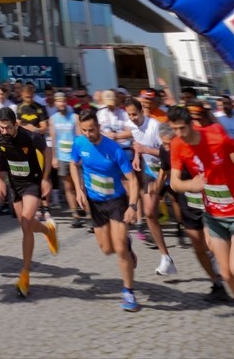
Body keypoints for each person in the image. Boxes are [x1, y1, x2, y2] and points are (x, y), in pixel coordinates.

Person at [168, 104, 234, 343]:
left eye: (182, 128)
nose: (179, 134)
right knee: (226, 274)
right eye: (174, 129)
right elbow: (175, 183)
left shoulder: (216, 135)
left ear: (192, 124)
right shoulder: (177, 145)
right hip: (213, 216)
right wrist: (190, 185)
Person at [69, 106, 141, 312]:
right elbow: (74, 164)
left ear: (99, 127)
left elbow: (133, 180)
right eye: (84, 130)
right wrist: (79, 190)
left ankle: (128, 292)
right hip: (95, 203)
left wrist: (133, 205)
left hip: (116, 201)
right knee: (107, 249)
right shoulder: (79, 143)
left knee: (118, 250)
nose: (88, 134)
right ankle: (127, 245)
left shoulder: (114, 149)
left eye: (91, 129)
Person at [154, 122, 227, 302]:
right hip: (187, 202)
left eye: (171, 143)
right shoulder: (165, 151)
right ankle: (217, 283)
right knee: (198, 247)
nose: (168, 148)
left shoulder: (192, 148)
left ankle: (229, 269)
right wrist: (157, 194)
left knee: (212, 242)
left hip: (208, 198)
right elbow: (164, 173)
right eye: (165, 144)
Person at [0, 106, 58, 297]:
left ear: (16, 124)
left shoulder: (30, 137)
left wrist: (46, 178)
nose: (4, 131)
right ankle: (48, 230)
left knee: (26, 223)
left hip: (32, 183)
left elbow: (48, 151)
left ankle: (25, 274)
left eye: (8, 127)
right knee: (24, 225)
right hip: (15, 185)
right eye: (1, 127)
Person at [125, 95, 176, 274]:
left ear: (142, 112)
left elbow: (167, 153)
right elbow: (137, 144)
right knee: (149, 213)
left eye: (134, 114)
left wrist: (145, 150)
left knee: (182, 216)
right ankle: (165, 258)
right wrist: (138, 157)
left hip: (169, 172)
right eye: (129, 115)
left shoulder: (154, 126)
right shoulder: (131, 126)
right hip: (150, 173)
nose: (132, 118)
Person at [48, 91, 82, 227]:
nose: (61, 103)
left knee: (80, 186)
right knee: (68, 187)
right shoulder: (53, 119)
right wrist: (54, 157)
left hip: (75, 157)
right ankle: (75, 215)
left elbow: (80, 137)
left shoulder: (74, 117)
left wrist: (80, 156)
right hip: (62, 157)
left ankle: (89, 213)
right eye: (58, 101)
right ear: (55, 103)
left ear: (66, 102)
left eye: (63, 101)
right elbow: (53, 138)